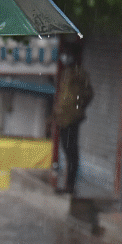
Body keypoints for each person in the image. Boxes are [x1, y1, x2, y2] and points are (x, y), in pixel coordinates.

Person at [54, 49, 93, 194]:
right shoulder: (65, 74)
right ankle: (68, 184)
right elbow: (63, 97)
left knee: (71, 151)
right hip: (63, 118)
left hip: (72, 118)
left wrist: (78, 107)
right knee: (66, 149)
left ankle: (70, 185)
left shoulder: (79, 74)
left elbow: (88, 94)